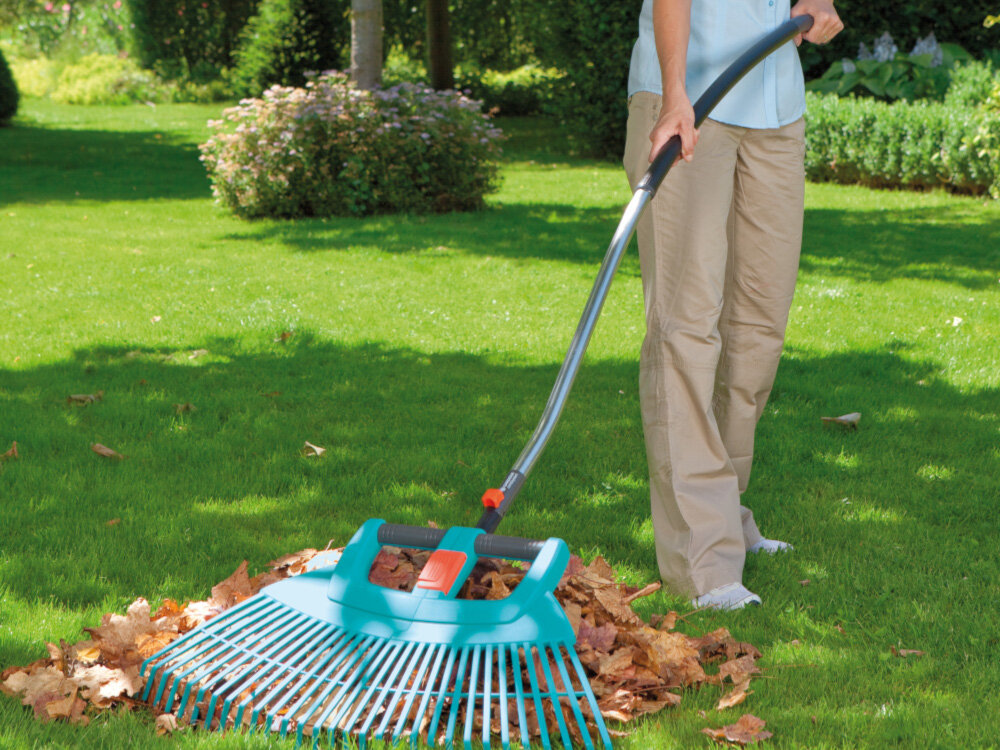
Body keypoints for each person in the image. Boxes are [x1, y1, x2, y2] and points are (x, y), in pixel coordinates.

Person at [623, 0, 843, 609]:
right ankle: (704, 560)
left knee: (757, 328)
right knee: (686, 326)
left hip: (777, 106)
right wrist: (673, 95)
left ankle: (727, 515)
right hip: (691, 104)